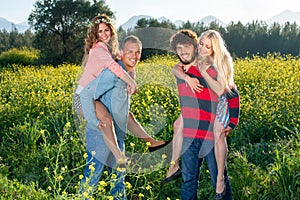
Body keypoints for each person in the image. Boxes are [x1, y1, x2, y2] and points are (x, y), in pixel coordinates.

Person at [73, 14, 168, 164]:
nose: (104, 34)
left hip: (95, 95)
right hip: (82, 97)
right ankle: (119, 156)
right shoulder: (98, 50)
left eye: (106, 30)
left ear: (111, 31)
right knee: (106, 120)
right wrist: (132, 82)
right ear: (95, 34)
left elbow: (125, 64)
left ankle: (150, 142)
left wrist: (132, 77)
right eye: (100, 31)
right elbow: (114, 68)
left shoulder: (108, 50)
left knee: (124, 116)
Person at [165, 29, 239, 200]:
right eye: (179, 48)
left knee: (219, 181)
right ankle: (174, 166)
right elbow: (175, 69)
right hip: (189, 136)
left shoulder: (209, 68)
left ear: (195, 47)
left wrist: (232, 120)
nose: (183, 51)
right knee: (188, 181)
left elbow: (230, 91)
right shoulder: (180, 70)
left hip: (210, 136)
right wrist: (186, 78)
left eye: (187, 47)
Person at [79, 35, 143, 199]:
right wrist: (94, 121)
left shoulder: (128, 73)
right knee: (93, 177)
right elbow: (85, 94)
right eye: (130, 51)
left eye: (138, 52)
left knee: (118, 180)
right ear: (121, 52)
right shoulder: (112, 71)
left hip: (116, 134)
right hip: (101, 131)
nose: (134, 56)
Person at [197, 30, 240, 199]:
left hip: (225, 102)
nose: (202, 48)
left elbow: (223, 90)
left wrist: (204, 73)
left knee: (218, 134)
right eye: (201, 43)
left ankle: (220, 178)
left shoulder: (221, 61)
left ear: (214, 49)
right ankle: (220, 181)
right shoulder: (201, 58)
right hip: (214, 103)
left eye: (207, 47)